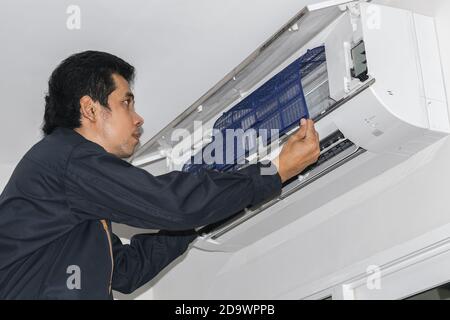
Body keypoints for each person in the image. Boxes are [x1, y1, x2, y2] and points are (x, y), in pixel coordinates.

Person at [0, 51, 320, 299]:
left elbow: (125, 271)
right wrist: (274, 170)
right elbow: (172, 203)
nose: (138, 119)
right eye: (127, 103)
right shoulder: (67, 159)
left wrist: (197, 219)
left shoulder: (76, 192)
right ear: (91, 109)